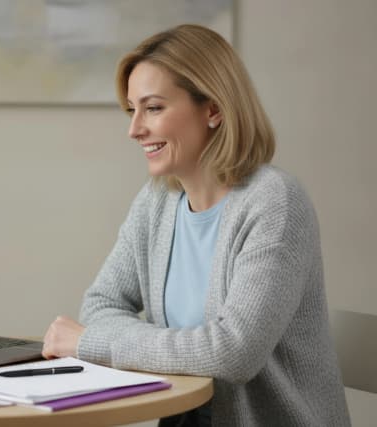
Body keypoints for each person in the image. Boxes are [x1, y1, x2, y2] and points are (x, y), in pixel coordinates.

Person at [41, 24, 350, 426]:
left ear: (214, 109)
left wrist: (92, 343)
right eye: (132, 109)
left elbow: (233, 354)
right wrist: (158, 344)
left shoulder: (275, 202)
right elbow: (101, 305)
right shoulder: (156, 201)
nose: (134, 129)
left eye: (153, 108)